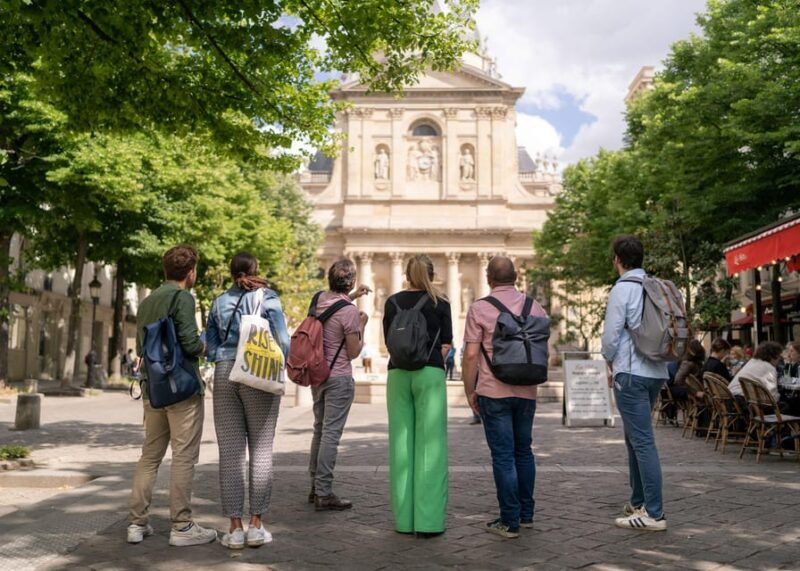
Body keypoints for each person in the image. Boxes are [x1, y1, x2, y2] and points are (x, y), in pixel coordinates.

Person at [127, 245, 217, 546]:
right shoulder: (183, 298)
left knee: (150, 456)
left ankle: (136, 524)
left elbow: (141, 348)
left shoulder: (149, 299)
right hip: (181, 388)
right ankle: (181, 526)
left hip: (152, 387)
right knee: (183, 457)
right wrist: (206, 346)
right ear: (190, 273)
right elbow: (191, 344)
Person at [205, 252, 290, 549]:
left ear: (230, 273)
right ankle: (256, 525)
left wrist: (224, 358)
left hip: (225, 372)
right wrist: (280, 365)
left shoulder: (218, 302)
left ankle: (234, 528)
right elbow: (283, 339)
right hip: (257, 371)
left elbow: (210, 345)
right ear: (255, 270)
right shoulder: (267, 298)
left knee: (230, 453)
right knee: (261, 449)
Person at [461, 256, 547, 539]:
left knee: (503, 456)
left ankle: (508, 520)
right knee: (524, 451)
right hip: (527, 389)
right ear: (517, 276)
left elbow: (472, 354)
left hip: (493, 390)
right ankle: (527, 515)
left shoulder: (480, 308)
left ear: (488, 278)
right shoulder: (535, 306)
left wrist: (469, 389)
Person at [601, 235, 668, 532]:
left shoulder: (622, 289)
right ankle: (638, 500)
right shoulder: (655, 286)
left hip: (630, 373)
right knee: (635, 438)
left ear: (617, 259)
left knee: (642, 441)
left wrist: (608, 360)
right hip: (656, 372)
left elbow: (611, 335)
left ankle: (654, 513)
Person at [383, 255, 453, 537]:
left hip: (397, 373)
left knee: (400, 445)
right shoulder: (442, 302)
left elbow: (388, 338)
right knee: (431, 446)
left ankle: (404, 521)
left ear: (406, 274)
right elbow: (447, 344)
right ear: (432, 274)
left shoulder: (392, 302)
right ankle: (429, 522)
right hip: (429, 372)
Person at [308, 259, 370, 511]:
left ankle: (314, 487)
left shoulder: (318, 299)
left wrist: (352, 296)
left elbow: (332, 309)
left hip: (318, 374)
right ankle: (324, 492)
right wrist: (362, 326)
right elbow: (353, 352)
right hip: (339, 377)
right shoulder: (350, 313)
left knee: (319, 430)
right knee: (331, 434)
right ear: (352, 281)